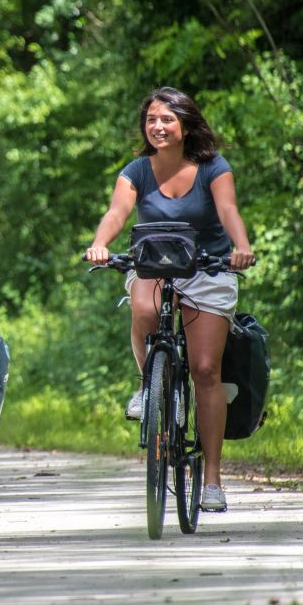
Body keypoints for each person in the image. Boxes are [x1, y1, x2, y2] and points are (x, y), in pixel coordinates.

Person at [83, 87, 255, 512]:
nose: (157, 127)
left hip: (207, 266)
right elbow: (117, 212)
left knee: (205, 368)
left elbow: (229, 209)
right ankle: (150, 385)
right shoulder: (137, 171)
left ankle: (212, 481)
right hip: (153, 263)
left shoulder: (214, 167)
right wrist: (100, 243)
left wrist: (241, 245)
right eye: (151, 120)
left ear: (185, 125)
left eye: (166, 120)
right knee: (142, 307)